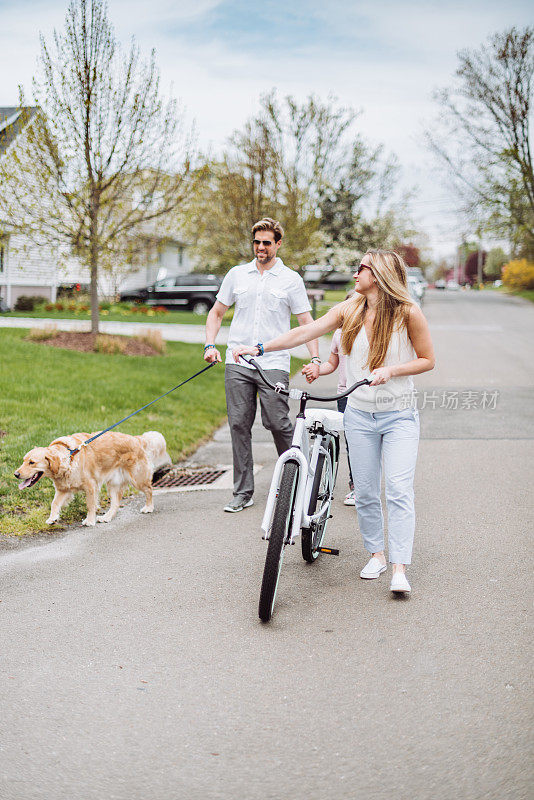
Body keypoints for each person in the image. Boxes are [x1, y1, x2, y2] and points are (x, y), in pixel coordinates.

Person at [232, 249, 435, 593]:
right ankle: (377, 555)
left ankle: (400, 567)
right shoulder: (349, 310)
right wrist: (260, 348)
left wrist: (391, 370)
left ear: (380, 273)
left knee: (398, 490)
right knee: (367, 492)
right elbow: (305, 332)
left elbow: (428, 359)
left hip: (398, 415)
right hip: (358, 415)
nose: (355, 275)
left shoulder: (407, 313)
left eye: (361, 269)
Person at [204, 218, 320, 513]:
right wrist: (210, 345)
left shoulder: (291, 279)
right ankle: (243, 491)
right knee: (239, 424)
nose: (260, 248)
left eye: (267, 242)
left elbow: (306, 323)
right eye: (257, 242)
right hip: (237, 361)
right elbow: (217, 313)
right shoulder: (237, 275)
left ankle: (297, 478)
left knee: (278, 422)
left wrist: (315, 358)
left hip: (274, 362)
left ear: (278, 244)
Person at [302, 292, 355, 505]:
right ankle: (356, 486)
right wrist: (317, 370)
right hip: (344, 395)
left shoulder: (373, 333)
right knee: (352, 442)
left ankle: (364, 482)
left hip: (367, 394)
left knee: (364, 442)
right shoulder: (339, 335)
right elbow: (331, 364)